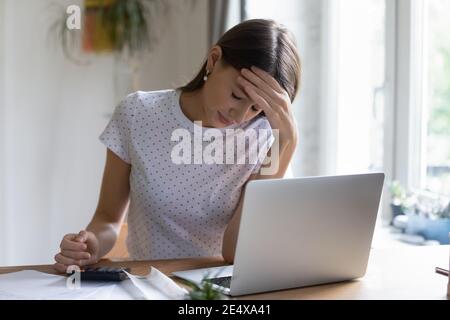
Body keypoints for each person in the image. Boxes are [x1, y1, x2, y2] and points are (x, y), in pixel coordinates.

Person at [53, 18, 301, 273]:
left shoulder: (267, 139)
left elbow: (236, 253)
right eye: (237, 96)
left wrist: (287, 143)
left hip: (219, 291)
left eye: (256, 108)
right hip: (147, 284)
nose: (239, 116)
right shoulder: (138, 113)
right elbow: (107, 218)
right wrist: (91, 245)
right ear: (214, 60)